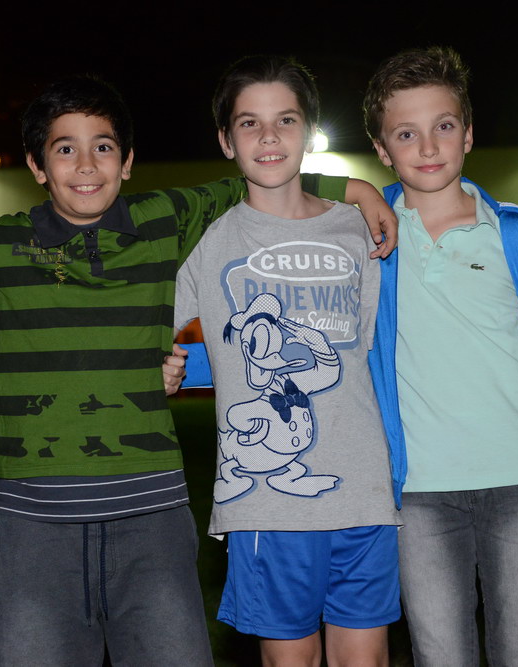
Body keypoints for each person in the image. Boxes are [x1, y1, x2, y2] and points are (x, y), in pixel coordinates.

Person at [0, 76, 397, 665]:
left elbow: (259, 179)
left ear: (128, 160)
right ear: (36, 166)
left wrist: (353, 189)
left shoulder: (166, 219)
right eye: (64, 150)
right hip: (29, 527)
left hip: (151, 515)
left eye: (103, 147)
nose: (86, 166)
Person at [362, 47, 518, 665]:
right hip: (418, 489)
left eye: (443, 126)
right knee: (440, 653)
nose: (428, 146)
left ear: (467, 133)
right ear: (382, 150)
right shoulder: (364, 238)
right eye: (406, 134)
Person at [174, 55, 400, 667]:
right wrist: (169, 362)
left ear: (310, 131)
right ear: (226, 140)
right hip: (267, 507)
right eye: (249, 123)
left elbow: (363, 352)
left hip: (363, 491)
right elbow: (150, 334)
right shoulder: (209, 241)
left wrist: (356, 189)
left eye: (286, 120)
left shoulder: (359, 229)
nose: (269, 136)